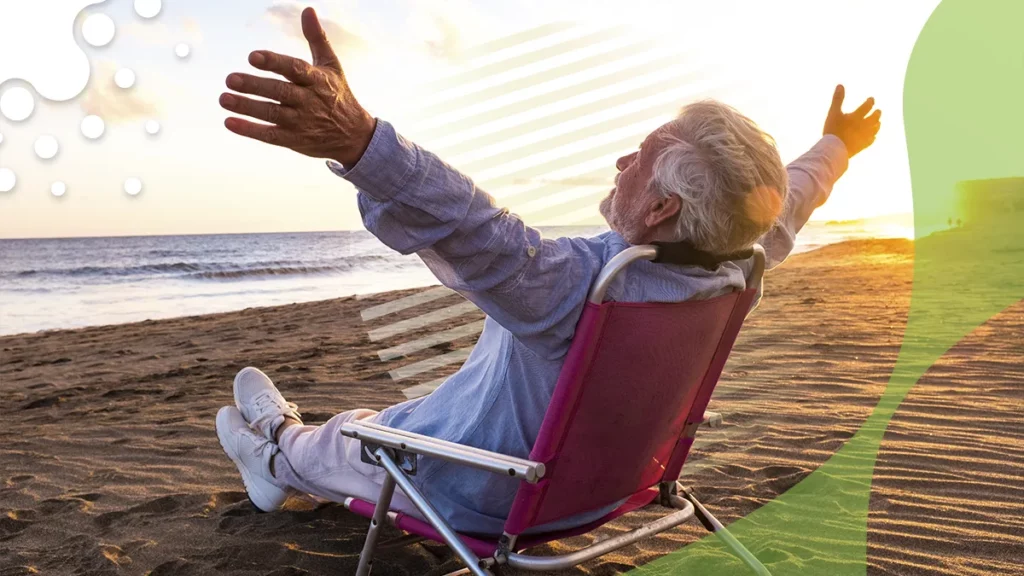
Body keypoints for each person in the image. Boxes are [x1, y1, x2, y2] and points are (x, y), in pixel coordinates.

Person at [214, 7, 881, 536]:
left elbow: (474, 229)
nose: (622, 159)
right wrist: (837, 146)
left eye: (642, 156)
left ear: (659, 207)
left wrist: (360, 142)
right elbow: (792, 197)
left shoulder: (588, 290)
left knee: (351, 442)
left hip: (478, 489)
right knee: (384, 419)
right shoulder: (741, 264)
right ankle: (293, 440)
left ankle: (273, 451)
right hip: (610, 488)